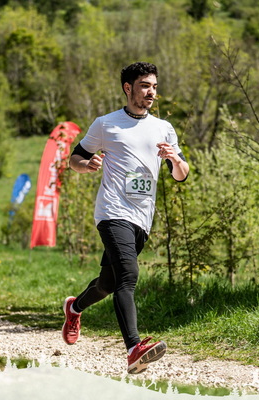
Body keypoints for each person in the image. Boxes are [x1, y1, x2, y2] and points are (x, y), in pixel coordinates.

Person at [63, 62, 189, 374]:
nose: (151, 92)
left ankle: (74, 307)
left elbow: (182, 174)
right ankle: (134, 349)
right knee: (129, 276)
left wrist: (175, 160)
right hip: (112, 211)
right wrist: (86, 165)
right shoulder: (106, 124)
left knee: (108, 283)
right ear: (128, 88)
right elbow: (75, 158)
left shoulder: (164, 128)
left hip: (142, 218)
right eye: (145, 86)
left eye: (154, 86)